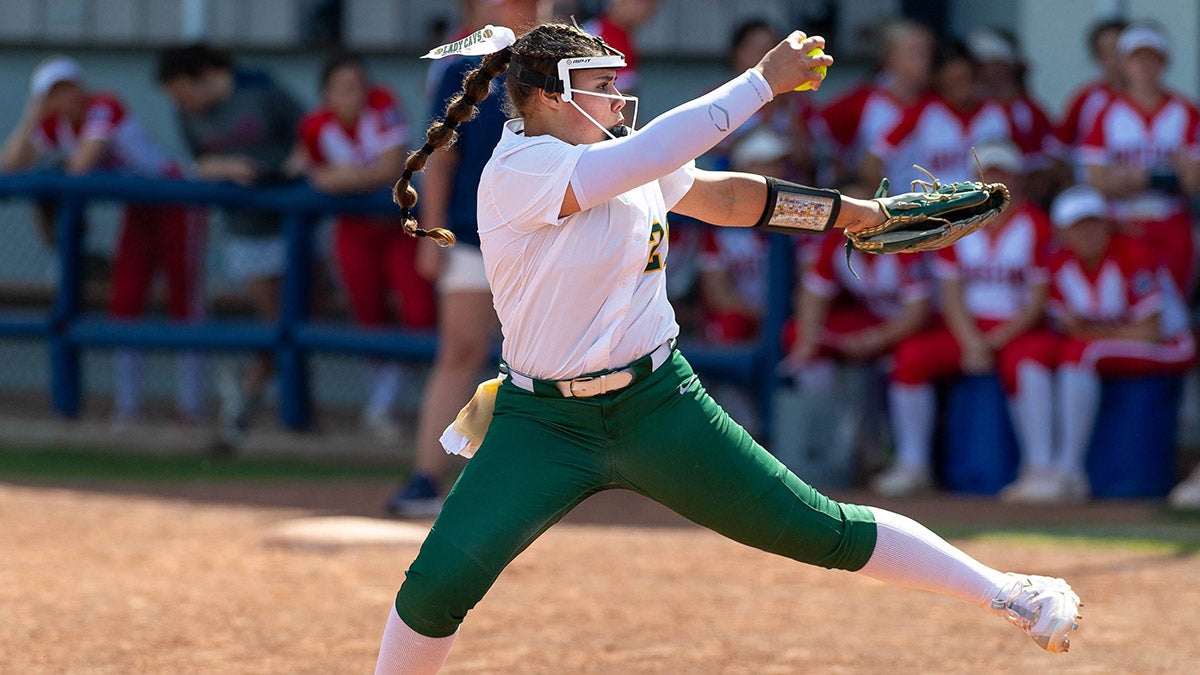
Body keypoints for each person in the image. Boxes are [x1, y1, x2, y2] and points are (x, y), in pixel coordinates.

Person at [372, 23, 1081, 673]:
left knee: (815, 526)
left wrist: (859, 214)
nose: (619, 98)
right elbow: (662, 150)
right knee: (439, 585)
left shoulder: (620, 155)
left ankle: (1010, 590)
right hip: (544, 420)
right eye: (601, 84)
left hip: (658, 404)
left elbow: (732, 199)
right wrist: (761, 82)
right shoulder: (520, 167)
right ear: (546, 97)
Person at [384, 0, 549, 517]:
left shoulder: (565, 62)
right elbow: (443, 154)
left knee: (546, 362)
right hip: (476, 233)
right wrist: (433, 233)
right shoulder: (463, 66)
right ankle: (425, 477)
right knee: (460, 350)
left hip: (547, 235)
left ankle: (546, 481)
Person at [0, 56, 207, 426]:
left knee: (184, 303)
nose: (65, 98)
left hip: (176, 202)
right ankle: (129, 406)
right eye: (53, 93)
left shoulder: (104, 105)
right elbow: (10, 165)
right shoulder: (53, 122)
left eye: (68, 87)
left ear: (81, 85)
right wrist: (32, 117)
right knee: (124, 301)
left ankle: (192, 407)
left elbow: (81, 165)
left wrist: (53, 167)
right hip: (139, 210)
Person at [876, 141, 1058, 498]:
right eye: (987, 174)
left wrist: (996, 340)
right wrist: (972, 340)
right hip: (966, 328)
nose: (995, 181)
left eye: (1003, 174)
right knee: (911, 356)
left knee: (1028, 362)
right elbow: (951, 292)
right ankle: (913, 464)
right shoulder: (957, 222)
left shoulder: (1034, 223)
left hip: (1015, 329)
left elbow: (1038, 299)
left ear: (1017, 179)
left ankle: (1042, 468)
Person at [156, 43, 307, 447]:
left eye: (183, 89)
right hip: (247, 230)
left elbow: (309, 134)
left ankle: (253, 397)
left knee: (307, 308)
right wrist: (228, 169)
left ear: (203, 74)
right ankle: (248, 401)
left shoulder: (261, 90)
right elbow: (201, 164)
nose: (181, 101)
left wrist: (289, 169)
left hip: (295, 222)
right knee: (276, 320)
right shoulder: (188, 116)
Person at [294, 52, 435, 441]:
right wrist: (353, 178)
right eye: (342, 88)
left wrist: (342, 179)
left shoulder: (384, 105)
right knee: (367, 316)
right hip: (353, 232)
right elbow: (304, 171)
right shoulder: (315, 126)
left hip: (400, 227)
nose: (352, 95)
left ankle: (403, 406)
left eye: (358, 86)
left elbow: (393, 169)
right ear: (326, 95)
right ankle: (383, 406)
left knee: (419, 310)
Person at [1033, 184, 1196, 503]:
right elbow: (1066, 327)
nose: (1088, 232)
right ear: (1063, 232)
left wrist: (1092, 334)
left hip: (1173, 345)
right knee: (1062, 354)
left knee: (1083, 353)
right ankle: (1046, 467)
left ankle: (1069, 470)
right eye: (1078, 226)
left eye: (1093, 222)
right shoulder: (1060, 264)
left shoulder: (1132, 252)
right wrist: (1099, 333)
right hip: (1122, 346)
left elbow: (1152, 331)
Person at [1079, 22, 1200, 296]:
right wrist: (1169, 175)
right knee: (1131, 304)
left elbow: (1193, 181)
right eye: (1136, 58)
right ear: (1123, 63)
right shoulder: (1105, 112)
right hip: (1123, 224)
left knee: (1174, 308)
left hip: (1171, 222)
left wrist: (1140, 177)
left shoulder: (1186, 111)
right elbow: (1096, 180)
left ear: (1164, 62)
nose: (1144, 66)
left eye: (1151, 58)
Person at [864, 39, 1014, 190]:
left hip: (985, 207)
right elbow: (873, 161)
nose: (961, 88)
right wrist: (892, 203)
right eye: (953, 81)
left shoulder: (996, 112)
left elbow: (1026, 165)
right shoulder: (924, 112)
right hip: (932, 208)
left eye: (965, 79)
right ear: (940, 80)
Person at [820, 18, 933, 185]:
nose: (926, 61)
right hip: (884, 203)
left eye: (928, 52)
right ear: (889, 57)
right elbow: (822, 142)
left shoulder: (937, 99)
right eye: (915, 52)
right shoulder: (863, 100)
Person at [1058, 18, 1128, 151]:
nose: (1114, 59)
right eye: (1106, 51)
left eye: (1119, 50)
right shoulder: (1085, 98)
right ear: (1097, 56)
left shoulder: (1163, 101)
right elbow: (1060, 149)